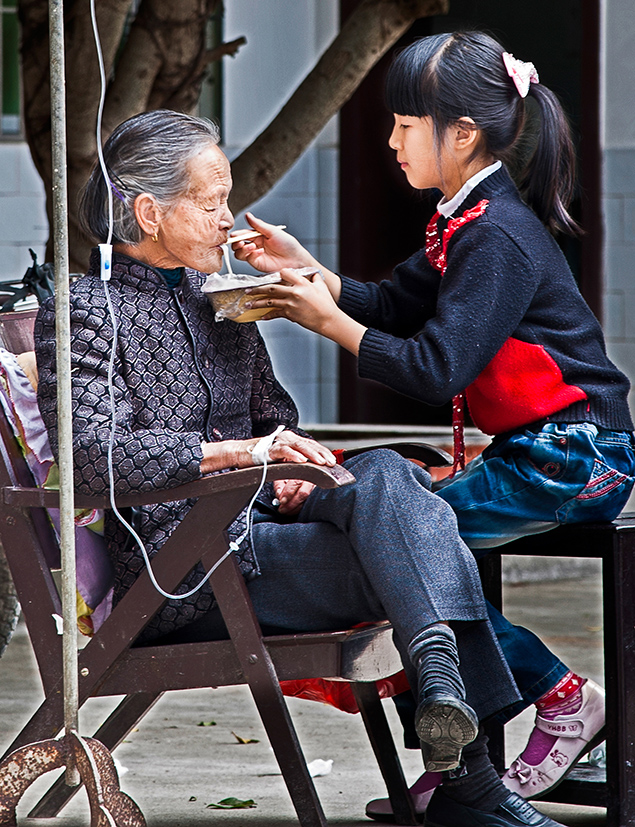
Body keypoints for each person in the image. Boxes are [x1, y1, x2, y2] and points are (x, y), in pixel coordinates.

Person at [33, 109, 567, 827]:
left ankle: (442, 687)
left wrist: (284, 456)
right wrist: (246, 454)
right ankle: (468, 773)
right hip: (187, 568)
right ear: (148, 211)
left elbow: (273, 417)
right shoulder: (84, 308)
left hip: (257, 526)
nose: (228, 220)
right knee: (415, 542)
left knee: (385, 473)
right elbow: (92, 456)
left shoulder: (219, 300)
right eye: (212, 201)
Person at [232, 30, 635, 820]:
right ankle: (469, 767)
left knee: (404, 543)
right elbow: (389, 303)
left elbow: (433, 367)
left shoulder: (495, 236)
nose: (390, 139)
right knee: (411, 540)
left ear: (462, 133)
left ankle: (556, 695)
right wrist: (306, 270)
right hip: (540, 453)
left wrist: (326, 322)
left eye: (405, 124)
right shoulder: (466, 219)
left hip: (573, 456)